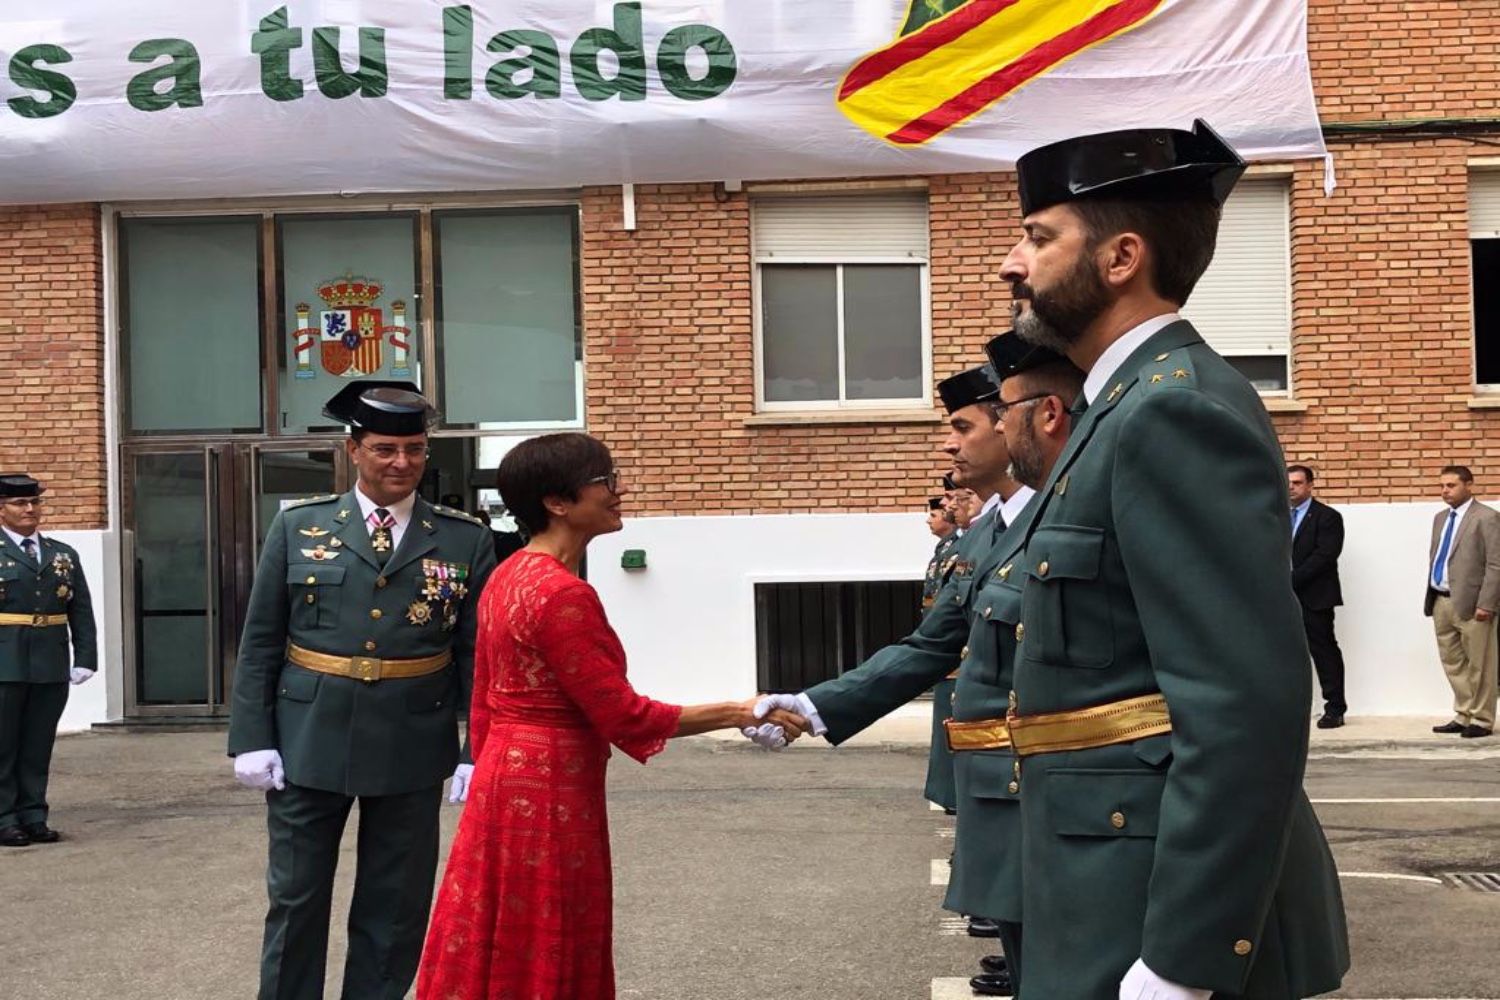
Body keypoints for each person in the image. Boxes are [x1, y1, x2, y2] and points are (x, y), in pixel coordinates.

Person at [998, 120, 1349, 998]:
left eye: (1039, 238)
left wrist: (1183, 966)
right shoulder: (1122, 406)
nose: (1012, 261)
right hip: (1108, 876)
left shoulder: (1170, 411)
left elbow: (1243, 705)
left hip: (1154, 905)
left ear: (1121, 258)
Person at [417, 432, 805, 1000]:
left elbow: (485, 697)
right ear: (558, 502)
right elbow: (624, 714)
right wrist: (738, 709)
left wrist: (482, 766)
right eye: (605, 481)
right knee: (554, 923)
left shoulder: (507, 576)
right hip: (549, 786)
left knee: (501, 923)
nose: (618, 491)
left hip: (504, 773)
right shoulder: (561, 594)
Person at [751, 356, 1041, 996]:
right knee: (1026, 965)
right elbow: (931, 644)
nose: (947, 442)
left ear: (1014, 424)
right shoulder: (985, 532)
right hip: (998, 789)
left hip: (1052, 791)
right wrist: (810, 703)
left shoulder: (1065, 517)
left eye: (962, 427)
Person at [227, 381, 499, 1000]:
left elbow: (477, 655)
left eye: (413, 449)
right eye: (384, 449)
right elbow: (262, 639)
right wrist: (251, 738)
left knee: (396, 904)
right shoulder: (300, 526)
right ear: (353, 450)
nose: (401, 462)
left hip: (412, 741)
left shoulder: (464, 537)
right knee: (296, 900)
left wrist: (475, 747)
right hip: (307, 740)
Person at [0, 473, 96, 848]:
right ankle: (6, 818)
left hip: (49, 660)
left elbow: (81, 609)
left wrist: (86, 656)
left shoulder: (61, 554)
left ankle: (34, 813)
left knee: (38, 743)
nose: (30, 510)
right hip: (5, 659)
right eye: (20, 504)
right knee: (4, 744)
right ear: (2, 508)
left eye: (34, 503)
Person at [1425, 464, 1500, 738]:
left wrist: (1487, 604)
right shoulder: (1440, 518)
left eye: (1451, 485)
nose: (1445, 490)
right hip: (1441, 601)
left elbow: (1496, 564)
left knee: (1481, 663)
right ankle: (1464, 712)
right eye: (1442, 485)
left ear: (1469, 485)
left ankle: (1482, 719)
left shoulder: (1487, 517)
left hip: (1473, 604)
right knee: (1453, 662)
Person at [1288, 464, 1348, 728]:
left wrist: (1289, 580)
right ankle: (1289, 707)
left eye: (1298, 483)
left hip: (1314, 597)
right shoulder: (1275, 516)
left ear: (1310, 485)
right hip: (1281, 600)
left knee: (1324, 652)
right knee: (1284, 654)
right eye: (1287, 482)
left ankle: (1334, 708)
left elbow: (1325, 556)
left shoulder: (1327, 517)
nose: (1291, 487)